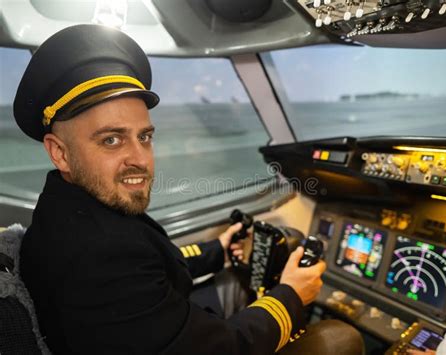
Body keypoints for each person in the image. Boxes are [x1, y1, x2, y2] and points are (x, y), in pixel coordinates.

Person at [15, 24, 362, 354]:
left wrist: (218, 251)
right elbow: (226, 349)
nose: (140, 159)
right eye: (111, 139)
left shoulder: (64, 210)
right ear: (59, 152)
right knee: (339, 339)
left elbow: (148, 266)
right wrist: (291, 295)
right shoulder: (98, 256)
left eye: (145, 137)